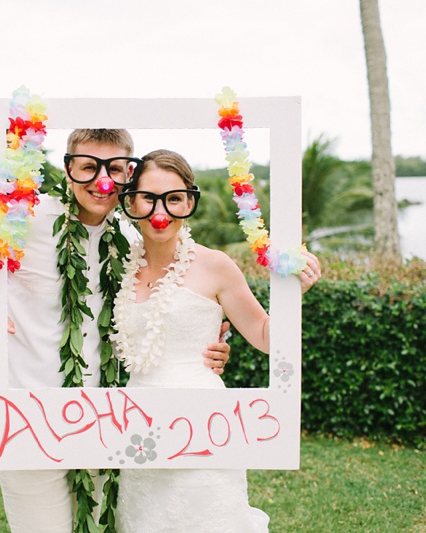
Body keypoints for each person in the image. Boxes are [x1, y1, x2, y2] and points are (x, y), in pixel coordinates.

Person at [0, 130, 233, 533]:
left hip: (106, 419)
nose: (102, 181)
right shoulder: (22, 218)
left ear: (129, 173)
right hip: (27, 411)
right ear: (68, 168)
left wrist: (213, 343)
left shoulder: (132, 238)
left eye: (114, 169)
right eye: (89, 167)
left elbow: (172, 302)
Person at [111, 149, 321, 532]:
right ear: (131, 202)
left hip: (204, 424)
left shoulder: (215, 265)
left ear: (189, 201)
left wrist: (295, 296)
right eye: (149, 197)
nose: (162, 210)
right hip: (138, 424)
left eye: (173, 198)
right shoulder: (118, 264)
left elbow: (263, 336)